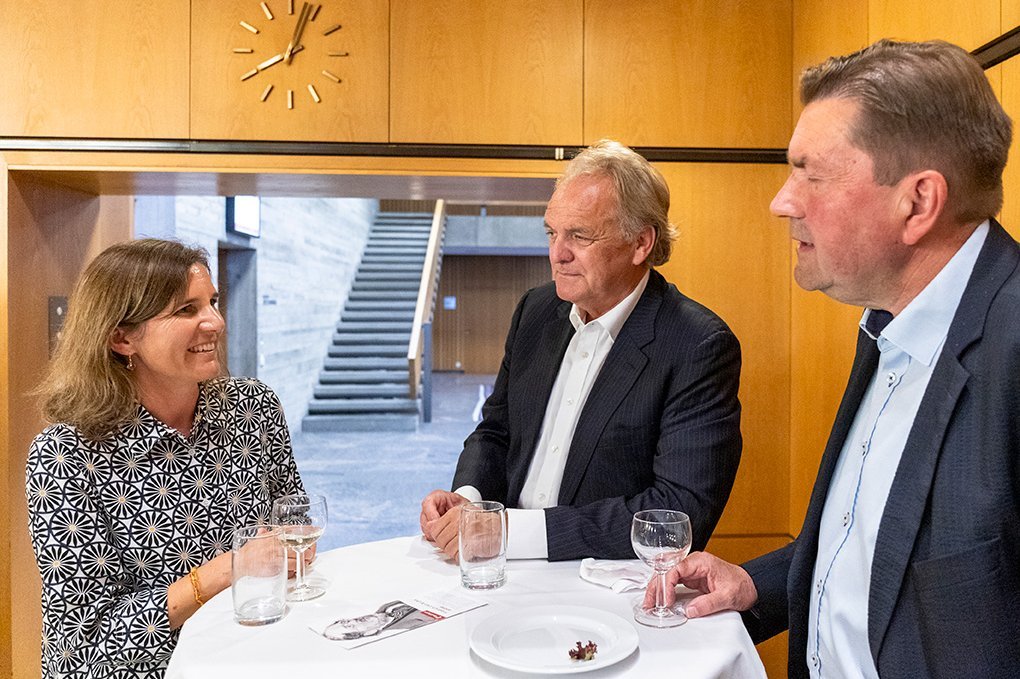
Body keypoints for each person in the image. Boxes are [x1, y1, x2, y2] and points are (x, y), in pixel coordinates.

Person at [646, 39, 1020, 678]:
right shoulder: (884, 329)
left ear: (918, 202)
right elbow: (879, 552)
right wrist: (754, 585)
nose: (782, 201)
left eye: (810, 174)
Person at [420, 139, 742, 561]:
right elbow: (497, 430)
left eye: (580, 235)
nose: (558, 254)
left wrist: (511, 532)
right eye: (552, 233)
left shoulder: (697, 344)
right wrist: (470, 500)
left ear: (641, 243)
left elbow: (679, 513)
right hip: (499, 570)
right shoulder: (535, 310)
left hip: (604, 592)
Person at [25, 239, 307, 678]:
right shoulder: (66, 454)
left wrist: (288, 554)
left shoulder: (255, 408)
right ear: (122, 337)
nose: (215, 321)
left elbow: (293, 522)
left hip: (257, 655)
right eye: (185, 310)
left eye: (212, 303)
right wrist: (225, 571)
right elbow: (81, 648)